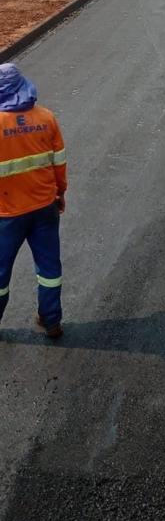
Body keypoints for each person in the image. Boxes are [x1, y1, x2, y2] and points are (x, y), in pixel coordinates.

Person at [0, 64, 67, 339]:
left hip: (6, 214)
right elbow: (59, 164)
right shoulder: (46, 118)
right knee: (50, 268)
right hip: (44, 208)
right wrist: (59, 195)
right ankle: (51, 321)